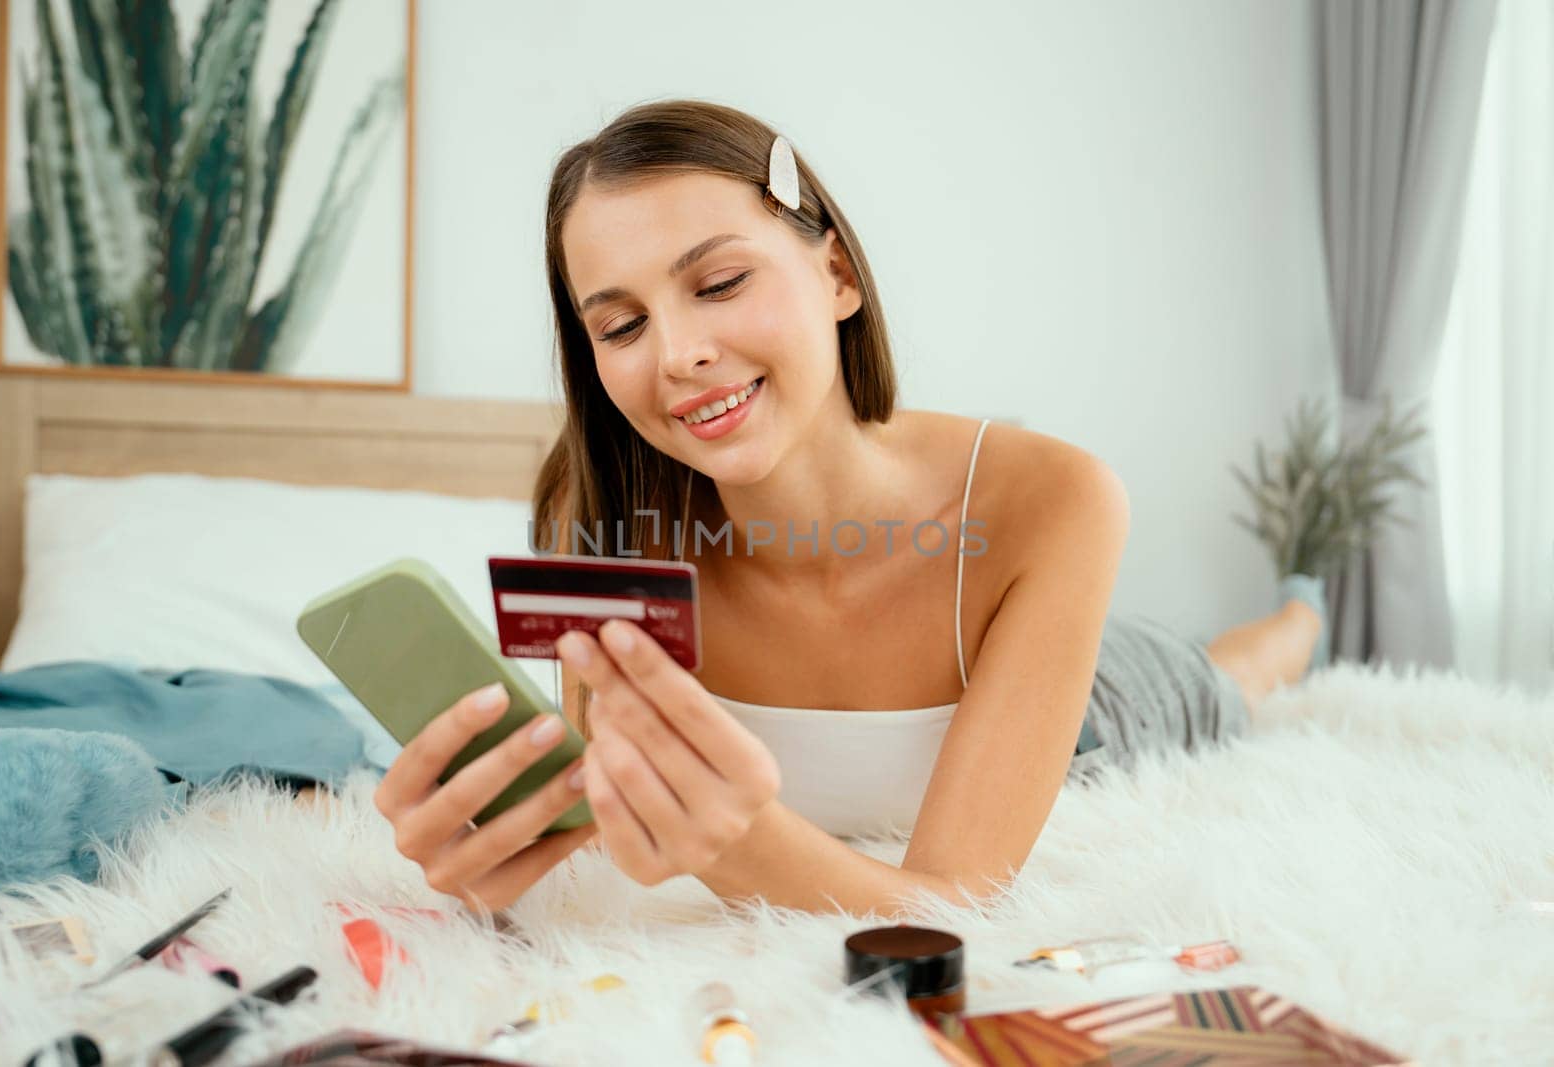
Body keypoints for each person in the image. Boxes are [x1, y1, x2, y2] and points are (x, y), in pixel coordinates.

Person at [371, 100, 1323, 919]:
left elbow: (960, 902)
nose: (675, 354)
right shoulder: (606, 512)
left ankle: (1299, 614)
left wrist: (738, 851)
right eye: (621, 325)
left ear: (836, 275)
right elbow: (603, 816)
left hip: (1106, 704)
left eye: (719, 282)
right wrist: (501, 849)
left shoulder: (1056, 498)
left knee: (1230, 678)